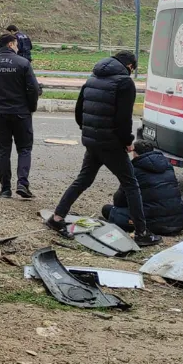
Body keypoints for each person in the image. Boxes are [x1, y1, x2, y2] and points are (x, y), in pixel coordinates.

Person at [46, 51, 162, 246]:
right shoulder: (124, 83)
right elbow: (123, 118)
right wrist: (127, 140)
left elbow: (78, 112)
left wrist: (90, 131)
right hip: (112, 144)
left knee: (83, 180)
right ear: (130, 66)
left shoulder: (93, 78)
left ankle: (57, 218)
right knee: (131, 184)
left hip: (93, 142)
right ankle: (142, 232)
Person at [0, 33, 41, 199]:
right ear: (10, 45)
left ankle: (5, 189)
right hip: (21, 113)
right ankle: (22, 183)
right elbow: (33, 89)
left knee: (3, 151)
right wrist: (31, 107)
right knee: (25, 148)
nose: (18, 47)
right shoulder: (23, 63)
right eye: (16, 44)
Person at [101, 140, 183, 236]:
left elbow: (119, 201)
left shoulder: (133, 171)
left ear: (135, 154)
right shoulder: (168, 166)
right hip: (179, 221)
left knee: (108, 210)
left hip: (154, 224)